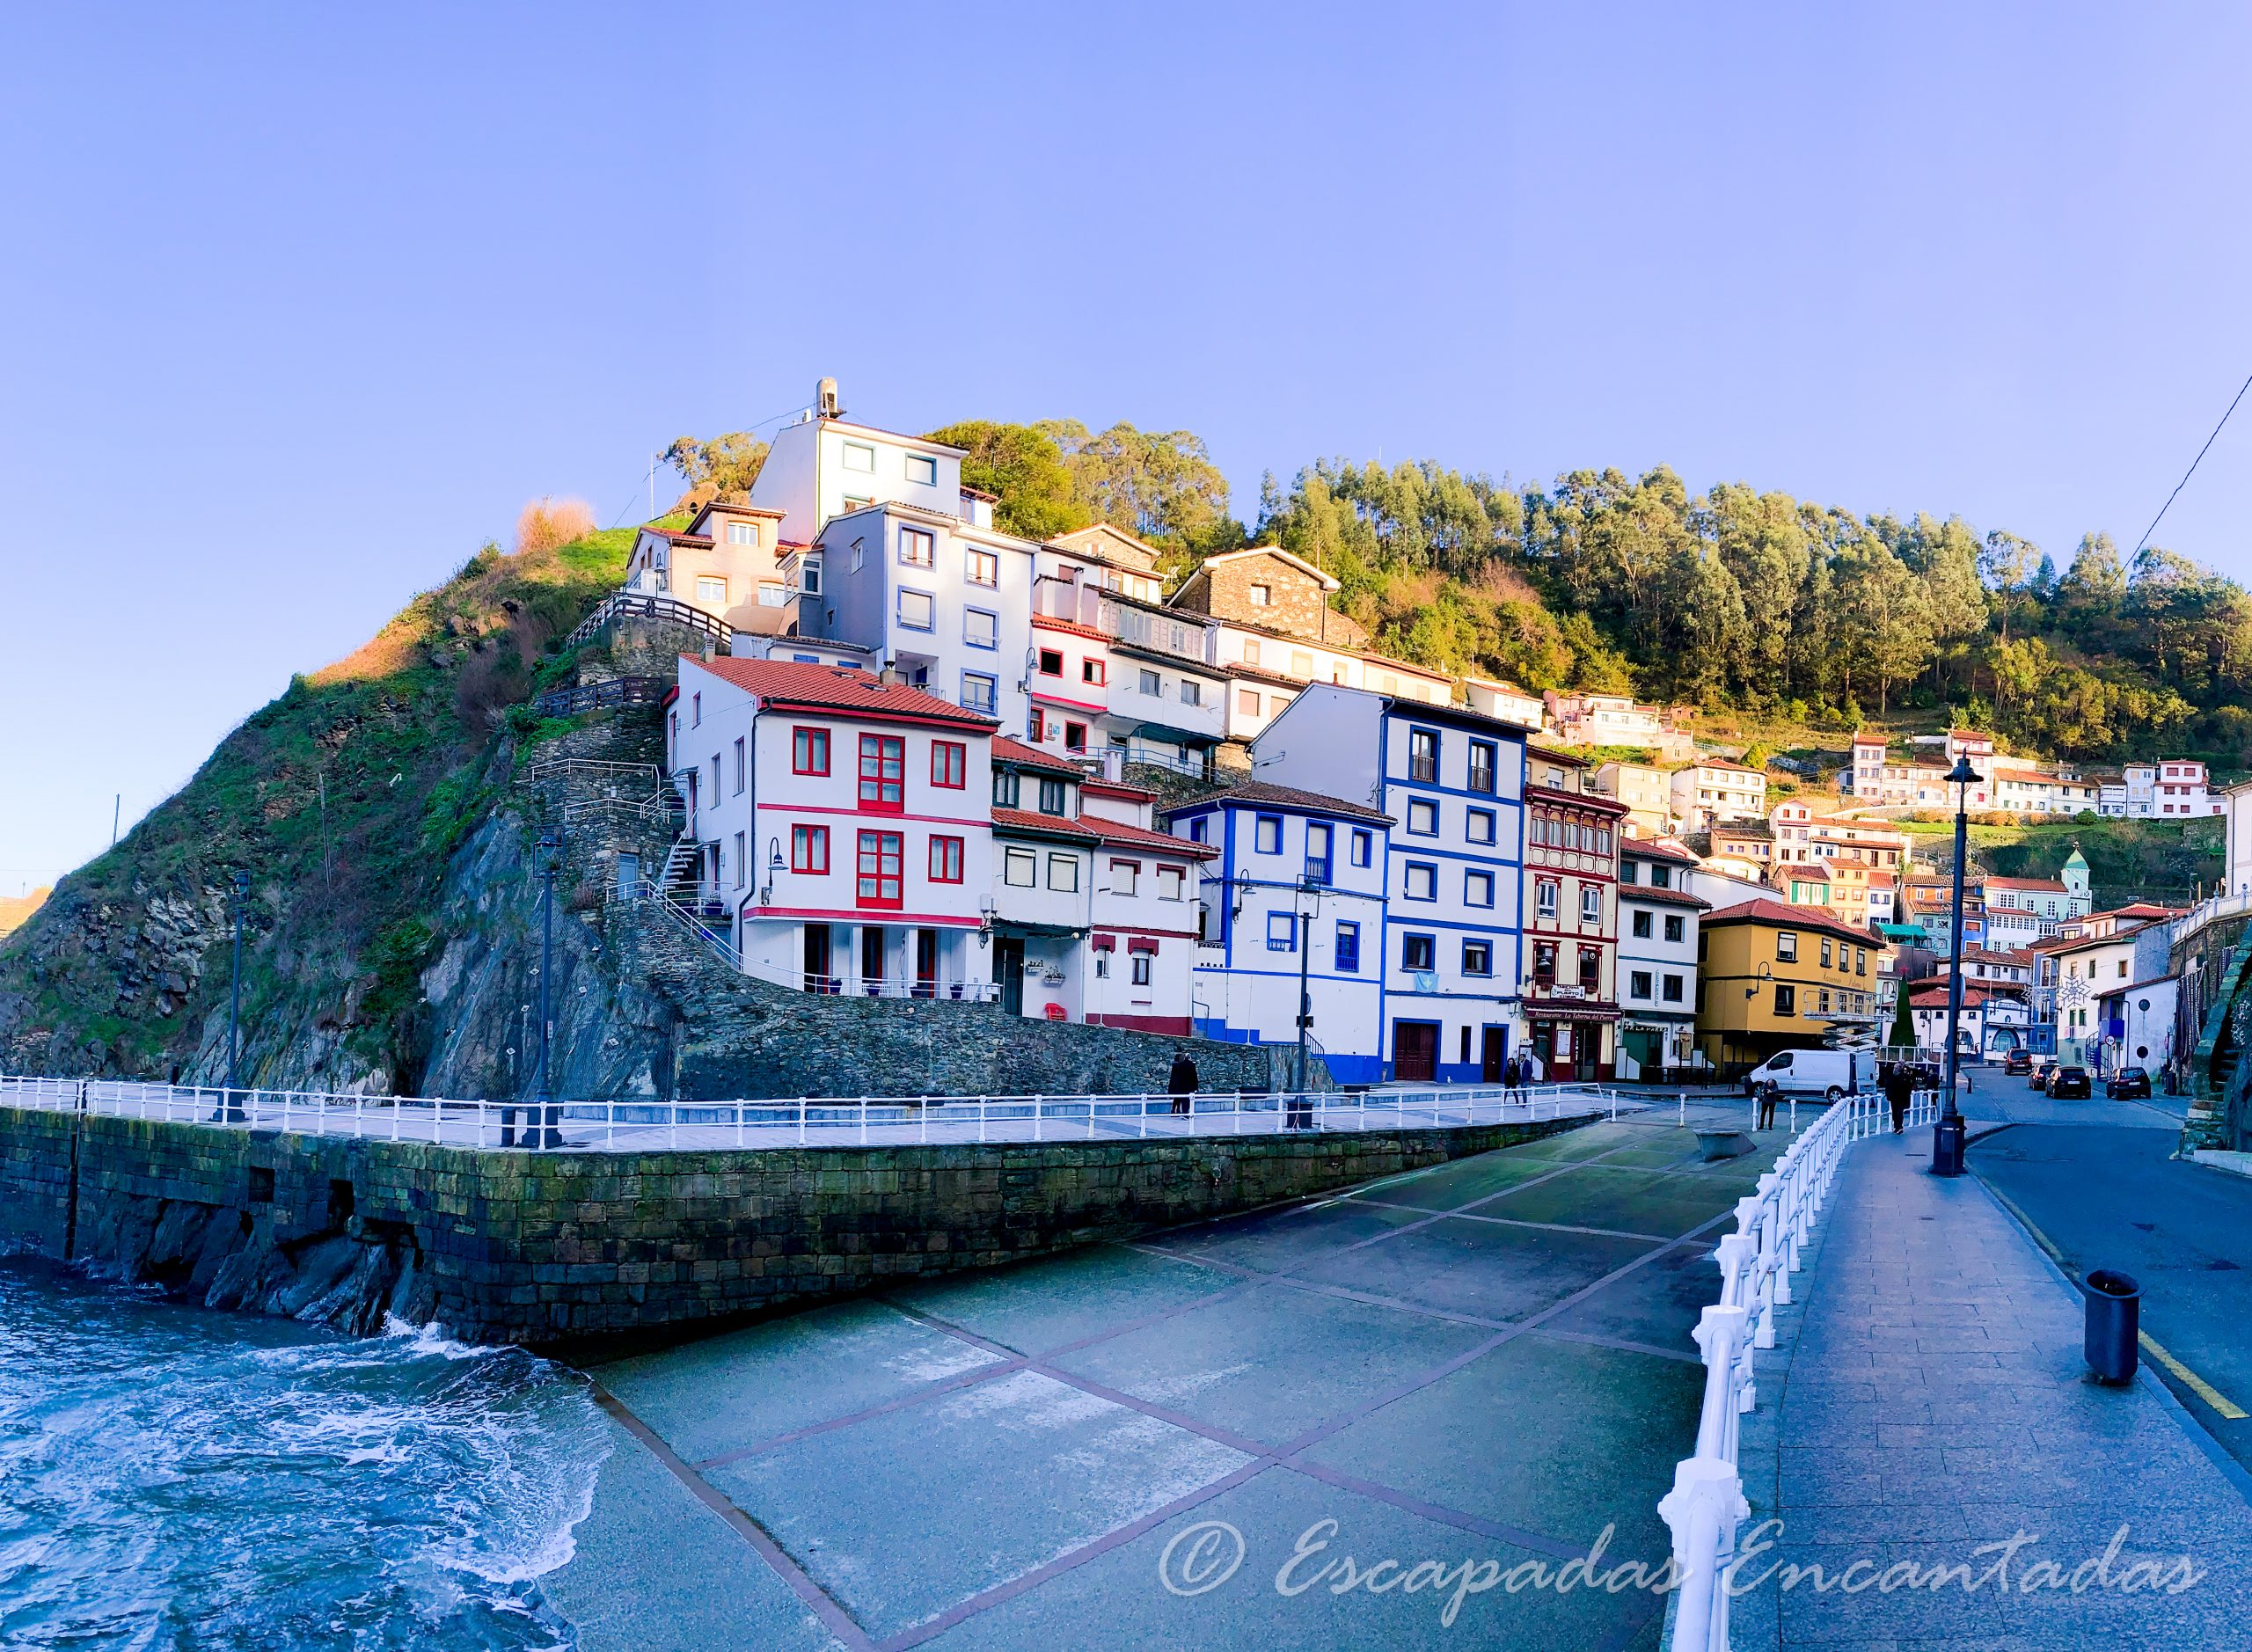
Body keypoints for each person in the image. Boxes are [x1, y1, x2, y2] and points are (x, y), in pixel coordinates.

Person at [1881, 1060, 1915, 1135]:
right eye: (1894, 1068)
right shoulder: (1891, 1077)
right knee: (1894, 1113)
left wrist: (1906, 1095)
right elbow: (1888, 1086)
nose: (1894, 1069)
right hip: (1893, 1098)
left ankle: (1900, 1127)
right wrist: (1888, 1095)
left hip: (1901, 1098)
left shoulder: (1905, 1077)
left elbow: (1908, 1087)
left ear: (1899, 1069)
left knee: (1899, 1112)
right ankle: (1896, 1127)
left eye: (1896, 1068)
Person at [1167, 1048, 1198, 1115]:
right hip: (1178, 1085)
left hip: (1178, 1084)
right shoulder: (1178, 1065)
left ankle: (1176, 1110)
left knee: (1178, 1098)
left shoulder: (1179, 1065)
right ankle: (1176, 1110)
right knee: (1178, 1098)